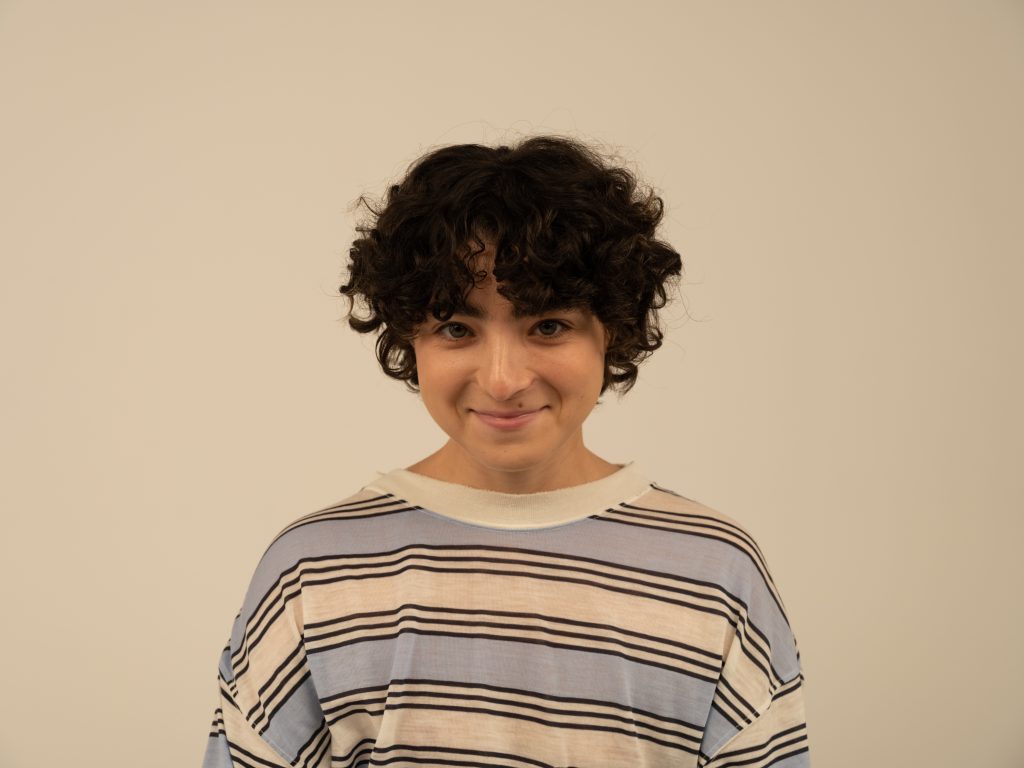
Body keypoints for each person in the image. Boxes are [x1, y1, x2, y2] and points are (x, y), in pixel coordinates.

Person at [202, 136, 810, 767]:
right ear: (411, 339)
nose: (502, 380)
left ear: (613, 330)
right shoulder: (313, 572)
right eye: (456, 328)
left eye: (547, 325)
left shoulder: (716, 574)